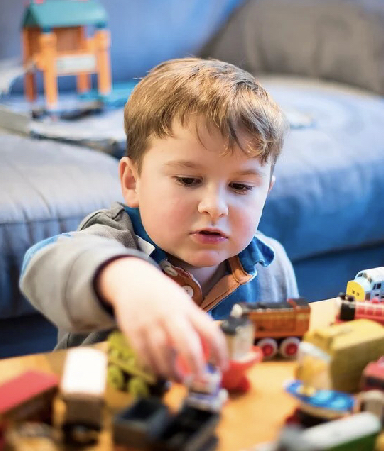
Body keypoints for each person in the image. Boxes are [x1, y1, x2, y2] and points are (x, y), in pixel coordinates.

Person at [20, 57, 299, 380]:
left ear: (265, 192)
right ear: (132, 182)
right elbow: (42, 265)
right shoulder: (113, 241)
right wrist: (126, 279)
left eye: (240, 187)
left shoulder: (272, 266)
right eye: (188, 180)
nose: (214, 207)